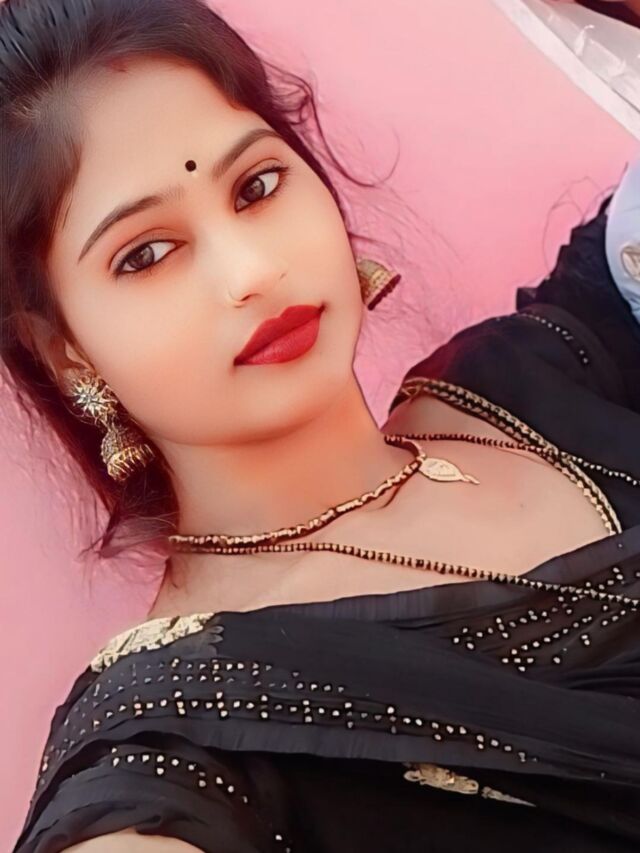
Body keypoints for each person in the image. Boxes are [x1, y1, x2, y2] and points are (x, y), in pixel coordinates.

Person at [3, 0, 639, 850]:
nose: (251, 270)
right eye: (146, 253)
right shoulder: (184, 749)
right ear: (67, 351)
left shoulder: (549, 369)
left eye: (256, 186)